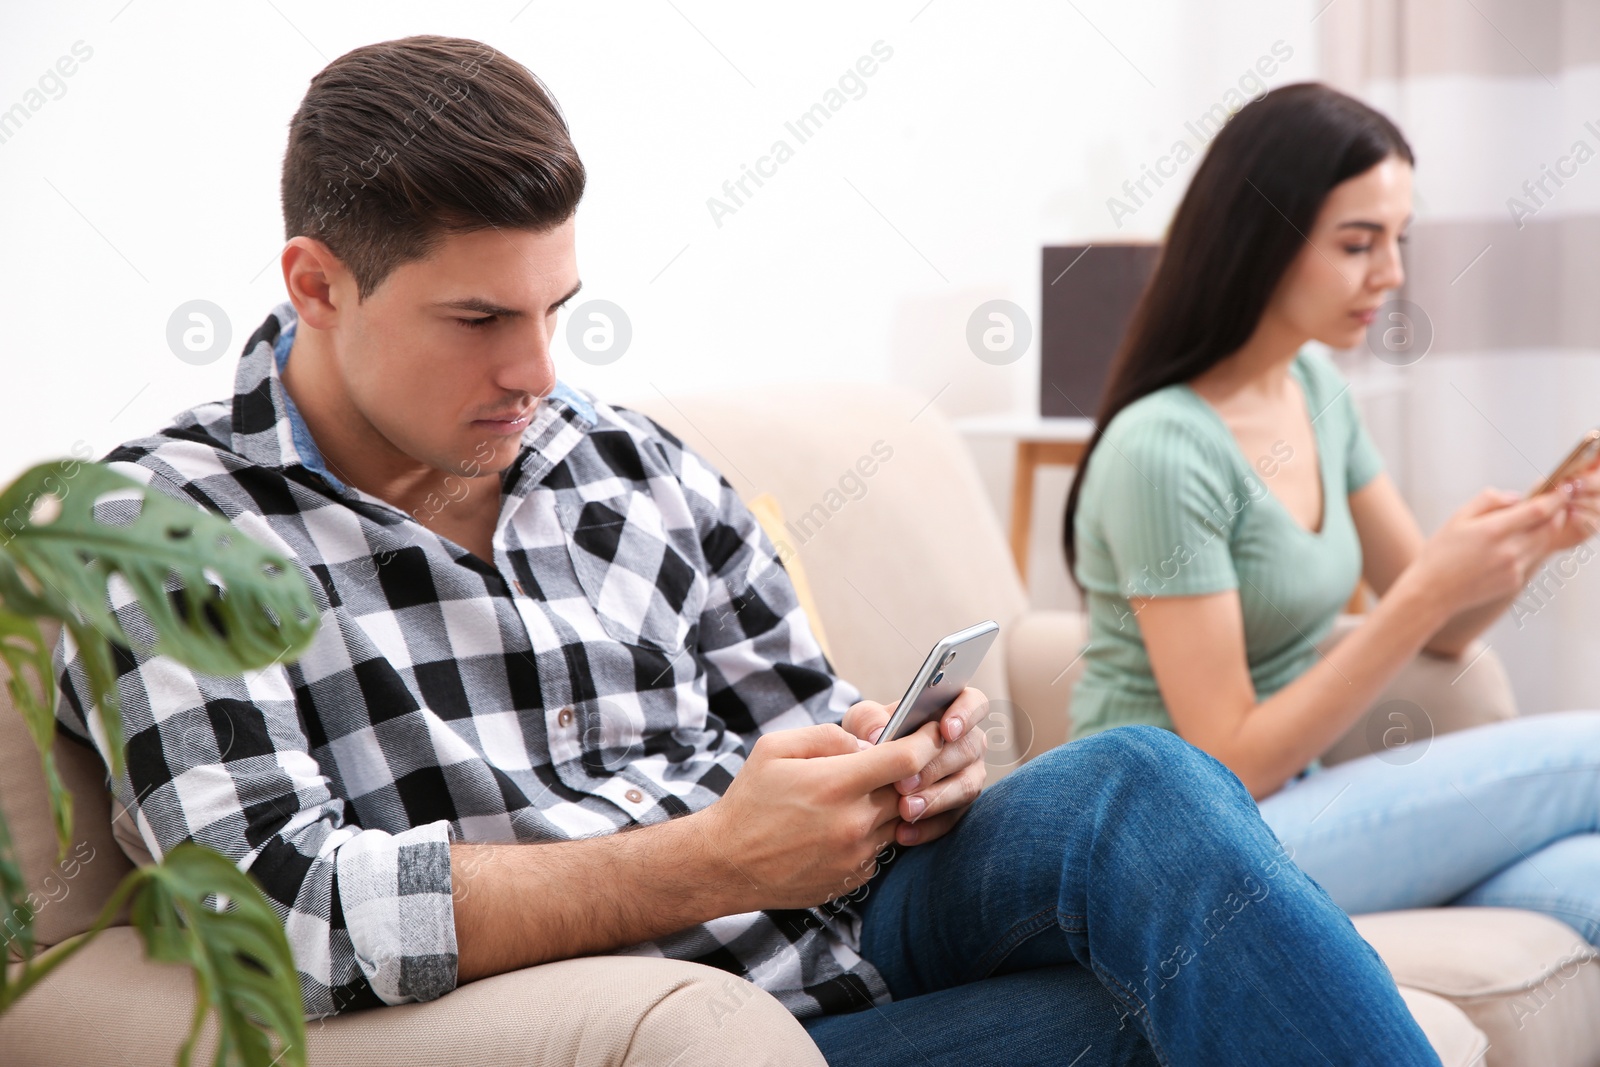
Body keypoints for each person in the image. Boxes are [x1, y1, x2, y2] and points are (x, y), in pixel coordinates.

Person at [54, 40, 1442, 1065]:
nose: (541, 367)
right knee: (1176, 1024)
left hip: (844, 928)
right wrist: (714, 857)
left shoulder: (625, 459)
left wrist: (897, 771)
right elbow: (274, 910)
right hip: (675, 1022)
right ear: (315, 282)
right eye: (480, 319)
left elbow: (798, 725)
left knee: (1141, 783)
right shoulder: (161, 533)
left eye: (560, 307)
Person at [1065, 81, 1600, 950]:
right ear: (1262, 241)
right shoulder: (1161, 450)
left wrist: (1530, 541)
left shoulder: (1316, 390)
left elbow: (1443, 630)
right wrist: (1425, 593)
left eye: (1397, 241)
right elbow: (1228, 755)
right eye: (1359, 244)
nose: (1390, 275)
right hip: (1177, 842)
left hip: (1295, 809)